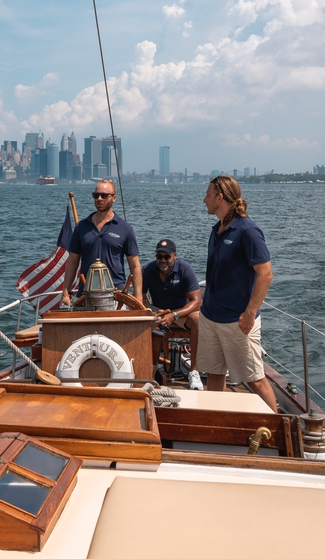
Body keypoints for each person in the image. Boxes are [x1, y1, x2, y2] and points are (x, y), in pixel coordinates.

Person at [198, 175, 277, 412]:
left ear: (219, 198)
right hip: (210, 316)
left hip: (237, 320)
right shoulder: (217, 229)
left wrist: (250, 314)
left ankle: (277, 430)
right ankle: (216, 424)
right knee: (213, 375)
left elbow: (265, 274)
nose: (204, 200)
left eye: (208, 195)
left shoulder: (248, 231)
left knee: (254, 378)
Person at [60, 180, 142, 305]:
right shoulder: (81, 227)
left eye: (104, 195)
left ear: (114, 198)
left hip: (116, 296)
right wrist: (65, 293)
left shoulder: (125, 229)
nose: (99, 199)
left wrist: (138, 298)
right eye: (96, 195)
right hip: (85, 295)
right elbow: (72, 261)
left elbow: (135, 265)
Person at [142, 239, 203, 390]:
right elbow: (140, 297)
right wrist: (151, 312)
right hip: (158, 311)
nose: (162, 260)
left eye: (166, 257)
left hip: (180, 312)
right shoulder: (148, 269)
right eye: (159, 257)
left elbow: (196, 301)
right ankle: (150, 367)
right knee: (141, 317)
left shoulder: (185, 269)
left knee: (197, 319)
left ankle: (194, 371)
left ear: (174, 255)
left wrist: (174, 315)